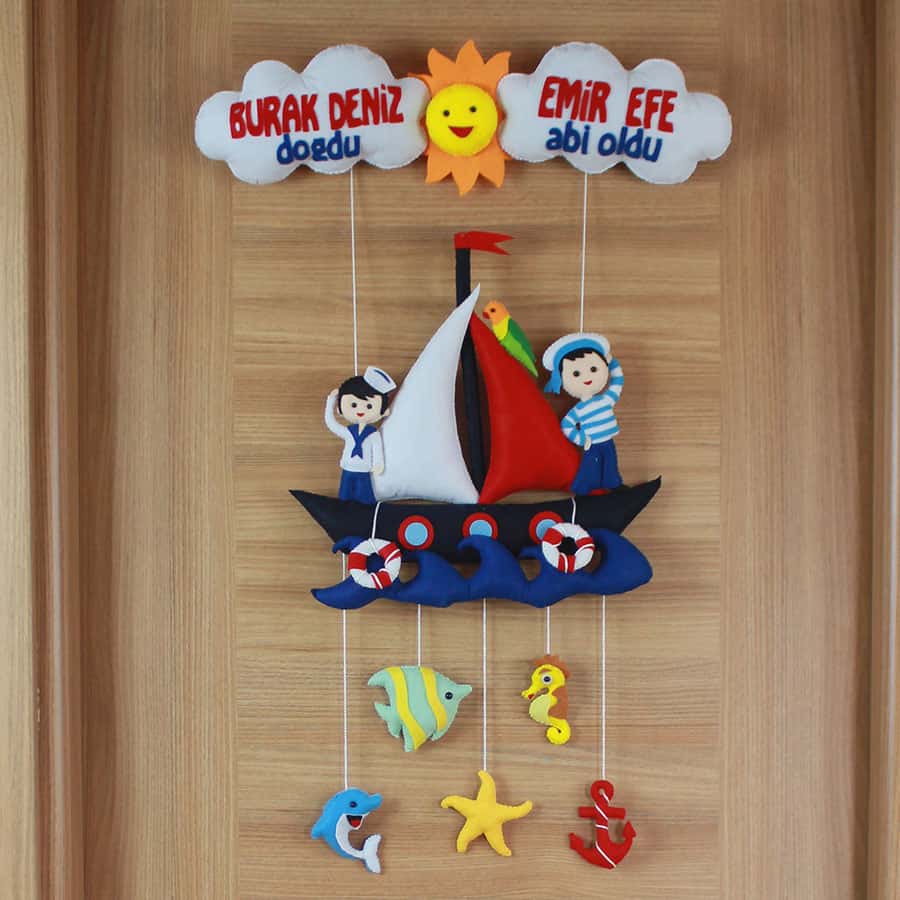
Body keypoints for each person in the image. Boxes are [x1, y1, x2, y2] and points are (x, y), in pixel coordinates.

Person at [543, 332, 624, 494]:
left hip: (607, 440)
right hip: (592, 443)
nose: (587, 377)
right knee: (590, 465)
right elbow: (566, 425)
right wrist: (581, 439)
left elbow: (618, 381)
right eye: (576, 374)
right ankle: (583, 489)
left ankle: (613, 484)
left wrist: (612, 363)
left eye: (593, 369)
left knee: (610, 462)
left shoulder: (606, 399)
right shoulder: (578, 410)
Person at [324, 366, 396, 504]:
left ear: (384, 411)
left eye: (369, 406)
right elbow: (330, 423)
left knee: (366, 497)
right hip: (347, 469)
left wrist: (378, 464)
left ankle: (368, 511)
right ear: (340, 409)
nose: (360, 410)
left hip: (364, 471)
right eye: (353, 405)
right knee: (344, 496)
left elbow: (377, 450)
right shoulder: (348, 432)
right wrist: (331, 401)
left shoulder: (373, 434)